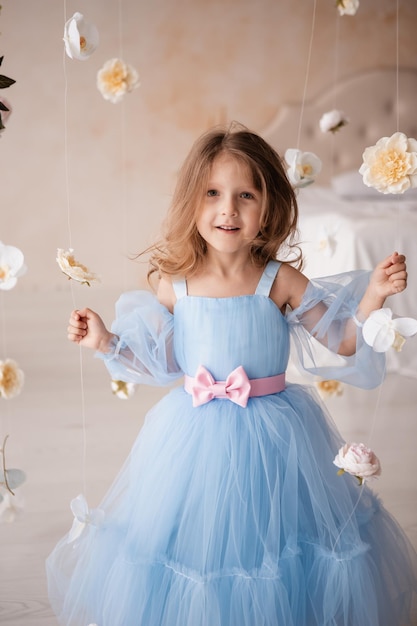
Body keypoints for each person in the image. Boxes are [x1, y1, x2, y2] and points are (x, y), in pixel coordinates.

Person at [46, 125, 417, 626]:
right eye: (214, 194)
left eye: (246, 195)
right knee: (200, 541)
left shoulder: (279, 279)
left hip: (278, 434)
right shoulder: (176, 286)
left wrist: (373, 295)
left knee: (277, 540)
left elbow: (343, 340)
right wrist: (105, 342)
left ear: (270, 205)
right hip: (193, 434)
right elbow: (163, 361)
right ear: (191, 203)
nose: (229, 210)